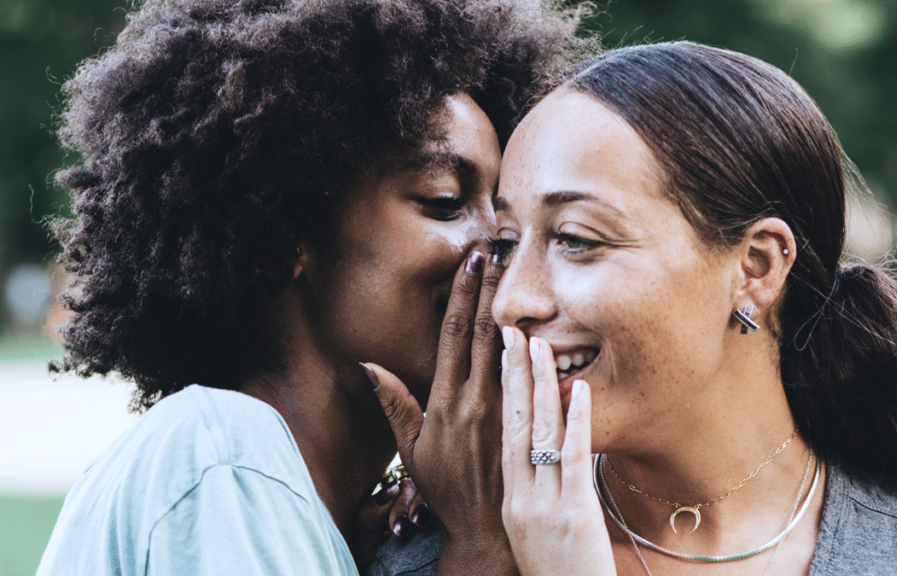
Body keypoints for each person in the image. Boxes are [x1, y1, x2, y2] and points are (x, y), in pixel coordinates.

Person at [371, 40, 897, 575]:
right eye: (509, 244)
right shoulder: (440, 556)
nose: (511, 301)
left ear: (757, 267)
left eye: (575, 239)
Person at [36, 0, 592, 573]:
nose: (500, 250)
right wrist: (479, 548)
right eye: (444, 201)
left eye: (502, 219)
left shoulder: (300, 503)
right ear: (279, 233)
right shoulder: (224, 458)